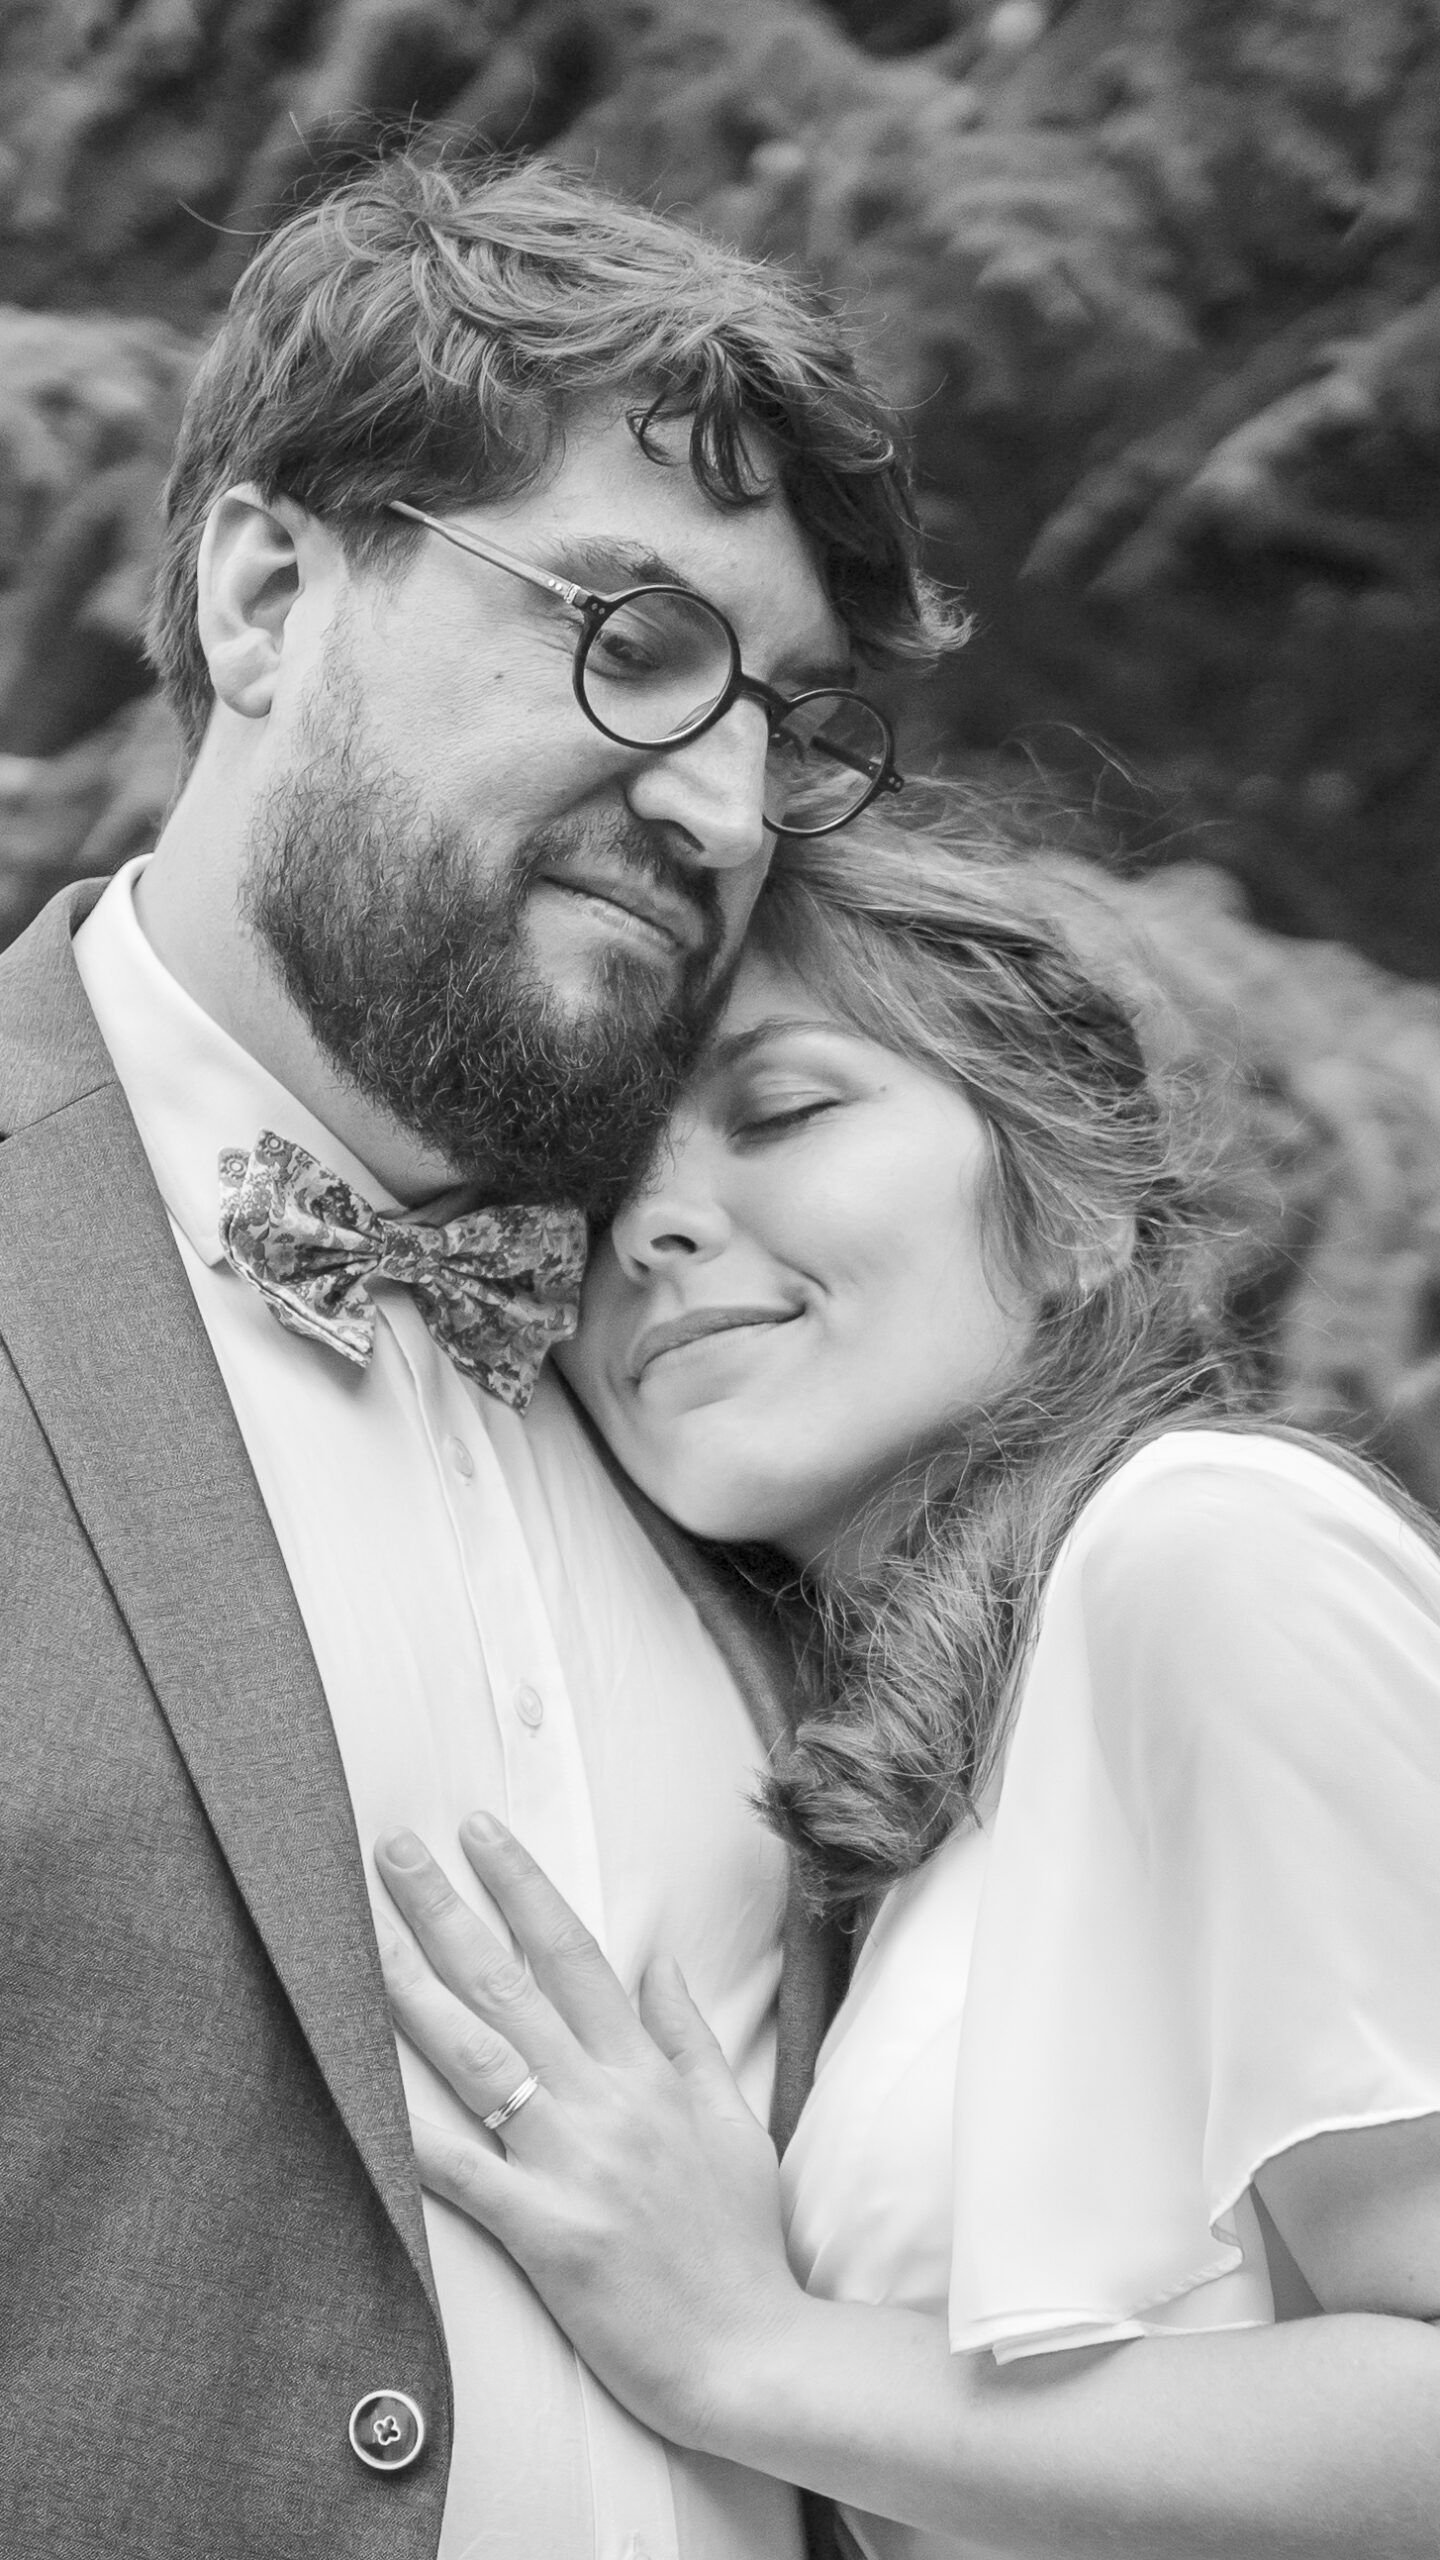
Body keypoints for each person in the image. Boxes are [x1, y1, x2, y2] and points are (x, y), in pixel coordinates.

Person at [0, 147, 952, 2559]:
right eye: (635, 636)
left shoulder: (752, 1375)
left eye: (783, 720)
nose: (723, 804)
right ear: (265, 592)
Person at [373, 811, 1440, 2560]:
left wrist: (749, 2353)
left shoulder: (1207, 1548)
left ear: (1075, 1208)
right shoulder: (918, 1777)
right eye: (597, 1182)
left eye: (783, 1112)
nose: (650, 1228)